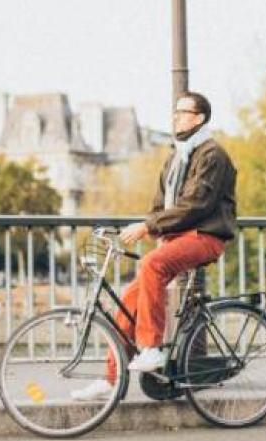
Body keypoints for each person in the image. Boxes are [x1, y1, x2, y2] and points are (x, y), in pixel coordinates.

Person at [71, 91, 237, 401]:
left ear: (199, 118)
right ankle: (111, 379)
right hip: (179, 237)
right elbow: (160, 205)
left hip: (206, 235)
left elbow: (196, 203)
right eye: (174, 112)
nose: (175, 117)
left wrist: (149, 227)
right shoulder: (176, 157)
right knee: (129, 301)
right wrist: (144, 227)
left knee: (152, 265)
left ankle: (151, 348)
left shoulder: (211, 154)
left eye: (182, 112)